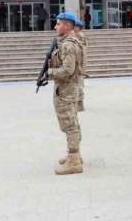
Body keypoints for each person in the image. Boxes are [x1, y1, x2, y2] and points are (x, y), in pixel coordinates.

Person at [43, 12, 84, 175]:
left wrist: (50, 72)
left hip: (66, 90)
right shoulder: (68, 42)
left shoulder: (68, 44)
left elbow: (68, 70)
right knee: (72, 123)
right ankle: (74, 155)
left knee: (70, 125)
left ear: (67, 25)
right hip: (67, 90)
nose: (55, 26)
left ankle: (74, 161)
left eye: (58, 24)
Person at [73, 18, 88, 112]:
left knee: (78, 84)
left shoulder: (80, 37)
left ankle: (80, 103)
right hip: (75, 62)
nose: (74, 28)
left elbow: (82, 51)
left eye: (75, 26)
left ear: (79, 27)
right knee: (76, 84)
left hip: (79, 63)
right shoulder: (74, 36)